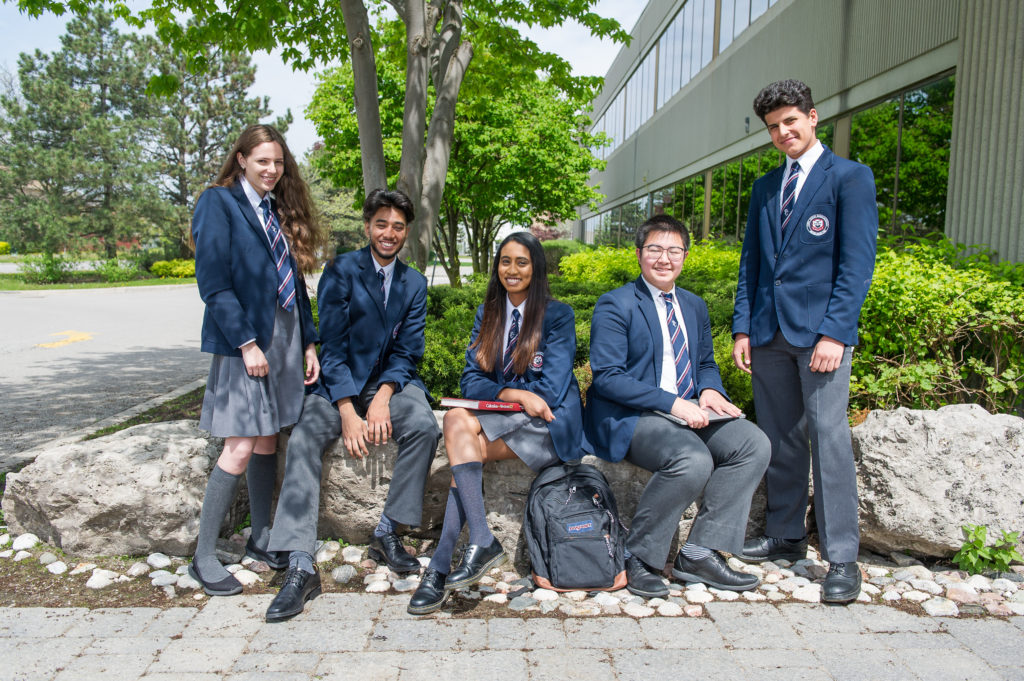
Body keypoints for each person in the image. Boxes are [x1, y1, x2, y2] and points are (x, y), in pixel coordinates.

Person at [731, 79, 878, 604]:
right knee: (781, 437)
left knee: (828, 437)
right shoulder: (767, 189)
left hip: (821, 337)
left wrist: (837, 332)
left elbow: (857, 265)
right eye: (773, 127)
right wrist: (743, 326)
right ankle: (787, 535)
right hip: (770, 333)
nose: (782, 133)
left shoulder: (851, 178)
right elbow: (751, 264)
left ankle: (842, 557)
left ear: (812, 118)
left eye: (790, 121)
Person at [585, 215, 771, 599]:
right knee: (693, 459)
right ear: (639, 254)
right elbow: (607, 377)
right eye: (655, 249)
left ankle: (700, 552)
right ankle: (638, 556)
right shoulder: (615, 304)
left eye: (674, 250)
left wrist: (709, 390)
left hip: (686, 409)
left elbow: (704, 363)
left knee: (753, 443)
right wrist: (673, 403)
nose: (664, 258)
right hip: (632, 415)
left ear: (685, 257)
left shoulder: (694, 305)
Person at [408, 232, 583, 615]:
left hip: (548, 428)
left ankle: (441, 566)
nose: (513, 270)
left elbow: (549, 392)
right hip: (510, 415)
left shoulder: (557, 315)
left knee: (459, 447)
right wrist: (513, 395)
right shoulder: (489, 313)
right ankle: (476, 543)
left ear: (535, 267)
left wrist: (508, 394)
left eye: (522, 262)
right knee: (456, 420)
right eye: (505, 261)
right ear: (496, 266)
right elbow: (471, 380)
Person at [189, 124, 324, 597]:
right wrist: (247, 343)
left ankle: (262, 539)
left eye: (279, 162)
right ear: (242, 159)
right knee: (241, 444)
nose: (272, 169)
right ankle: (203, 556)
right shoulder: (218, 203)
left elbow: (296, 284)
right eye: (263, 160)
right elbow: (213, 284)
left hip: (284, 337)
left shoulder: (276, 209)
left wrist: (308, 342)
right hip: (244, 342)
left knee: (268, 439)